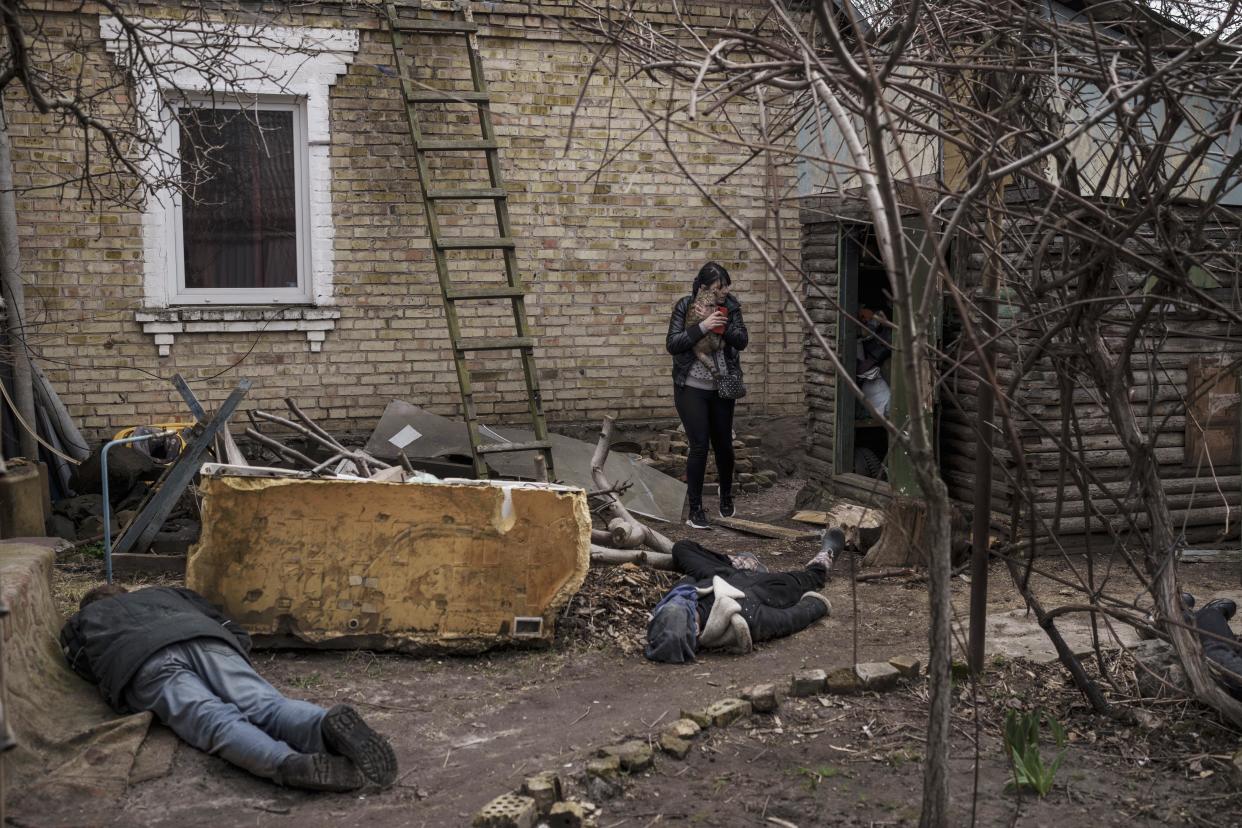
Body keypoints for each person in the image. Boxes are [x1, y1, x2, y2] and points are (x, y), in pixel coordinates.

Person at [60, 584, 398, 791]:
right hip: (203, 636)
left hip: (142, 661)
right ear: (126, 591)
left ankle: (285, 763)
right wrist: (234, 649)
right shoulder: (166, 593)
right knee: (266, 704)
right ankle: (322, 727)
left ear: (87, 606)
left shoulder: (84, 620)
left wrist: (117, 685)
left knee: (213, 720)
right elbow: (223, 620)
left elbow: (81, 663)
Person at [645, 529, 844, 664]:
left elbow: (687, 582)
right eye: (685, 610)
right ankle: (823, 560)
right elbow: (786, 620)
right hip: (768, 588)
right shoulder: (742, 617)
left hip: (720, 574)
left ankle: (744, 562)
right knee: (809, 578)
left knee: (682, 548)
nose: (682, 601)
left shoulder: (676, 604)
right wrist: (816, 606)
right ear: (696, 630)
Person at [666, 261, 749, 530]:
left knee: (723, 444)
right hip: (691, 387)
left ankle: (726, 496)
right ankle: (695, 509)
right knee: (699, 446)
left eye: (726, 285)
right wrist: (702, 326)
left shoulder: (731, 305)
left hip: (722, 387)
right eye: (718, 286)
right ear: (704, 287)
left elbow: (742, 340)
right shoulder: (684, 305)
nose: (724, 290)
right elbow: (673, 343)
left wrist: (720, 325)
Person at [856, 305, 892, 419]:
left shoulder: (882, 318)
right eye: (862, 319)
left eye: (863, 316)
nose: (864, 320)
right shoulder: (867, 334)